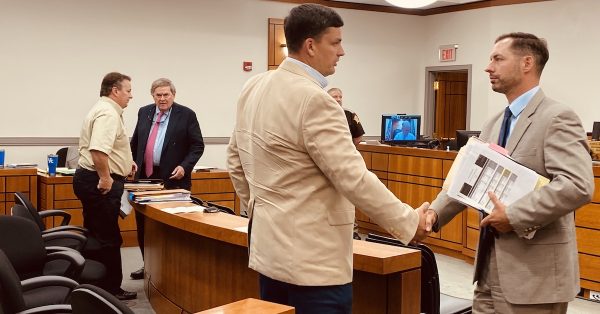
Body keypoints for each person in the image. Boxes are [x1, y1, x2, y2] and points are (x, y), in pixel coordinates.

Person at [227, 4, 431, 313]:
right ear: (311, 45)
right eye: (335, 42)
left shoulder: (253, 85)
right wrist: (408, 222)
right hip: (314, 264)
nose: (342, 51)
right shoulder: (315, 100)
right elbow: (353, 177)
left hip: (268, 254)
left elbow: (234, 158)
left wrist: (261, 210)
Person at [426, 32, 594, 313]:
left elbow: (577, 185)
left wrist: (513, 216)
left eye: (497, 59)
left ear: (527, 63)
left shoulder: (557, 117)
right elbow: (468, 182)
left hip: (535, 279)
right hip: (488, 274)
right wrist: (433, 215)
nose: (488, 67)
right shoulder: (493, 124)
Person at [129, 78, 205, 280]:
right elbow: (136, 142)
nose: (162, 99)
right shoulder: (144, 112)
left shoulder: (186, 115)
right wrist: (130, 163)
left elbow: (197, 146)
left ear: (173, 95)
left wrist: (184, 166)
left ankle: (171, 269)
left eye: (166, 95)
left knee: (171, 227)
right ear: (152, 96)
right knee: (144, 225)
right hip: (145, 179)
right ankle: (147, 266)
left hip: (174, 179)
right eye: (158, 95)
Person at [72, 72, 138, 301]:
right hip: (98, 181)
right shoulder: (108, 113)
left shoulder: (103, 109)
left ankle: (94, 285)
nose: (131, 95)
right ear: (115, 91)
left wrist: (125, 163)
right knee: (108, 238)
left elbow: (109, 148)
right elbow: (98, 150)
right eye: (128, 90)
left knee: (97, 233)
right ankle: (109, 290)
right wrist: (106, 177)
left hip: (90, 178)